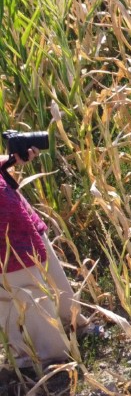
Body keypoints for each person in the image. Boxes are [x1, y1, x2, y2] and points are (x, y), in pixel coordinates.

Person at [0, 144, 96, 369]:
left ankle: (74, 327)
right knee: (27, 298)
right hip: (6, 246)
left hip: (22, 223)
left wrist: (8, 159)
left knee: (55, 283)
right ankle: (45, 359)